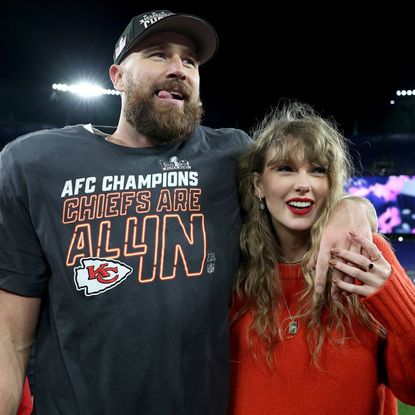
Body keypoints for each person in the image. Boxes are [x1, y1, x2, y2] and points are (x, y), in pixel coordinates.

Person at [0, 10, 374, 415]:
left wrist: (352, 206)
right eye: (159, 54)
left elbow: (302, 188)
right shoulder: (35, 163)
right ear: (117, 77)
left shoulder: (230, 155)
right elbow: (9, 338)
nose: (179, 69)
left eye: (190, 61)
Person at [229, 102, 415, 415]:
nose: (304, 184)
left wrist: (397, 302)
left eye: (318, 170)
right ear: (258, 185)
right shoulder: (234, 267)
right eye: (285, 168)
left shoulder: (364, 255)